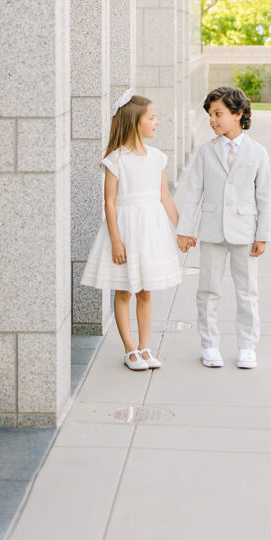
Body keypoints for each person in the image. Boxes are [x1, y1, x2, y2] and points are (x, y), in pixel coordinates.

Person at [81, 90, 181, 370]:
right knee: (124, 291)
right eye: (152, 118)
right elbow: (109, 203)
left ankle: (145, 347)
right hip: (125, 230)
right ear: (135, 122)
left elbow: (165, 197)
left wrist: (182, 230)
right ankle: (129, 348)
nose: (157, 122)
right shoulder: (116, 160)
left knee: (146, 291)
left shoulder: (157, 157)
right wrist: (116, 240)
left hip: (151, 232)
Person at [177, 86, 271, 369]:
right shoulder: (206, 152)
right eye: (210, 115)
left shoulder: (258, 153)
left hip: (245, 232)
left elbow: (264, 196)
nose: (212, 120)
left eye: (218, 113)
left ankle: (247, 347)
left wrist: (262, 235)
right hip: (212, 231)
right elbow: (193, 192)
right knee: (208, 291)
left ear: (238, 114)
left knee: (247, 292)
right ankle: (209, 345)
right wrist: (185, 229)